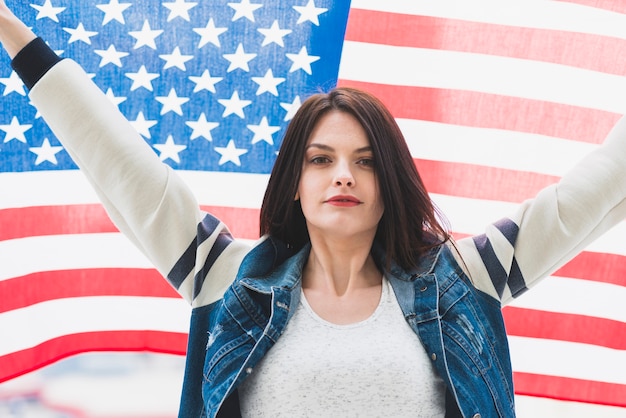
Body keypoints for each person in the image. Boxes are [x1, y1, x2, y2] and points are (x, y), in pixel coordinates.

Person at [2, 3, 626, 418]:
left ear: (393, 181)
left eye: (366, 160)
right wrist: (12, 32)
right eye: (321, 159)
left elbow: (594, 191)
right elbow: (114, 155)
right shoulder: (226, 277)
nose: (344, 177)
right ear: (293, 183)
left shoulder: (463, 279)